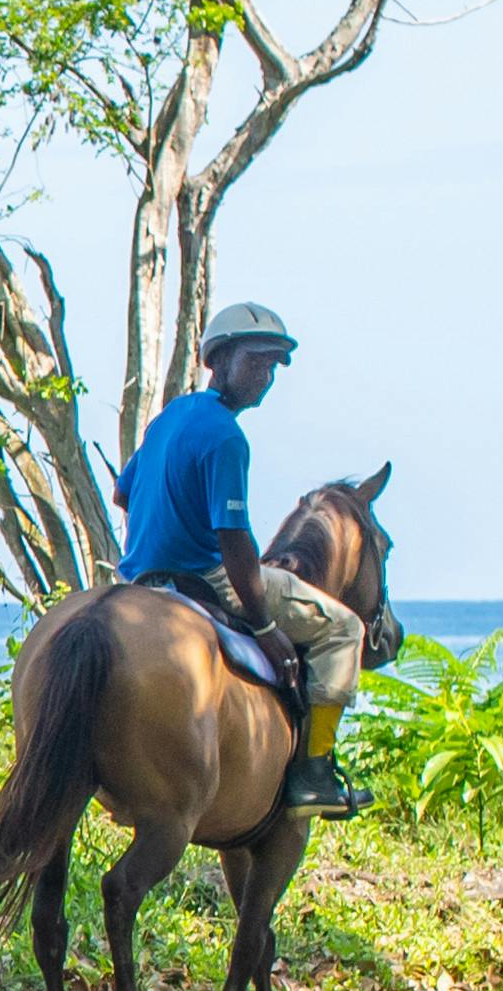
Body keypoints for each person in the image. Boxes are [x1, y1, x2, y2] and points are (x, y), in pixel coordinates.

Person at [115, 301, 369, 811]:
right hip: (206, 575)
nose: (266, 377)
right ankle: (314, 775)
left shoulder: (169, 418)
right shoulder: (228, 437)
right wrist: (262, 628)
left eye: (273, 367)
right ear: (219, 359)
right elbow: (235, 543)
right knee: (345, 630)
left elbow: (123, 495)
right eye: (257, 362)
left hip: (138, 579)